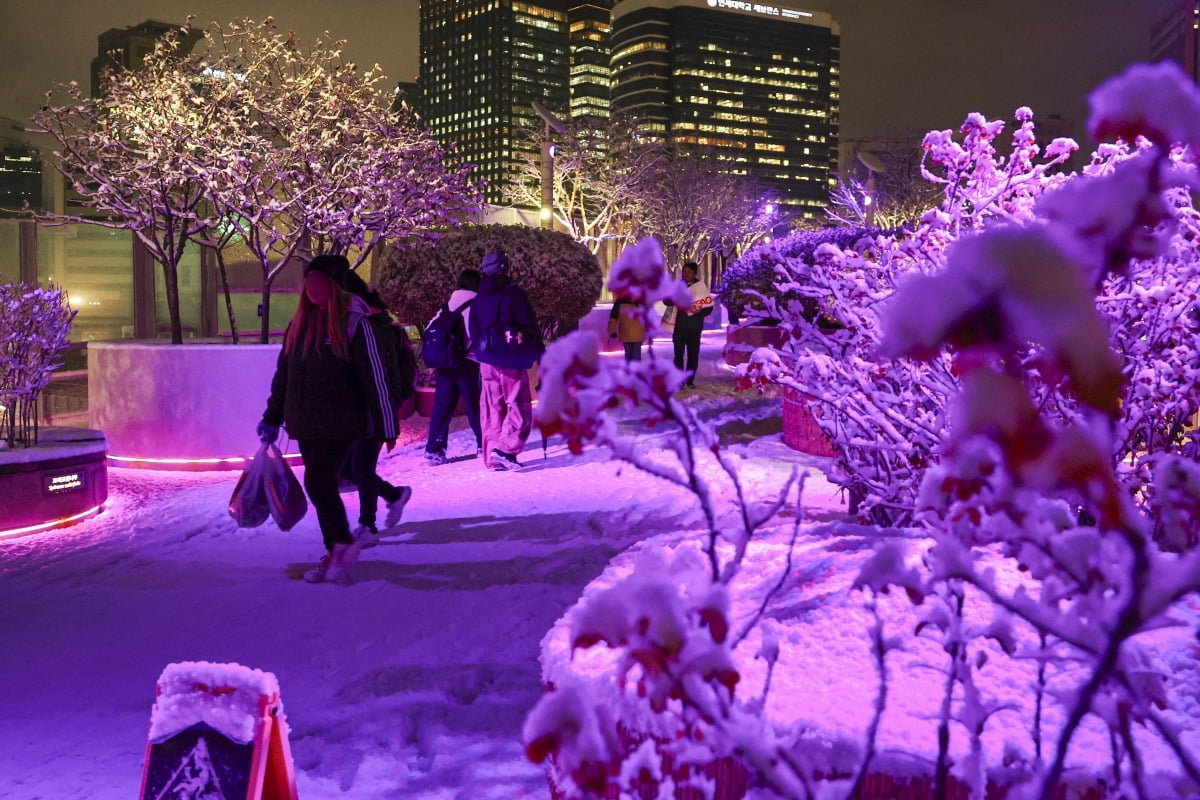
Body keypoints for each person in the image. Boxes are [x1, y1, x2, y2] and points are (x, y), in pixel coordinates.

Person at [257, 255, 402, 584]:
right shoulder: (300, 325)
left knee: (318, 482)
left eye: (320, 281)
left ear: (335, 286)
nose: (313, 287)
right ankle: (338, 545)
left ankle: (339, 546)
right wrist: (271, 416)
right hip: (305, 423)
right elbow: (285, 377)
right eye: (309, 281)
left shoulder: (355, 324)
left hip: (341, 421)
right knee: (320, 482)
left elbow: (376, 378)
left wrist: (386, 425)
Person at [467, 250, 543, 471]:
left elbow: (473, 330)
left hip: (486, 360)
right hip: (510, 358)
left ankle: (492, 456)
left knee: (492, 407)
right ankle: (507, 449)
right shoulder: (514, 294)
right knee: (517, 402)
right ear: (504, 269)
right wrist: (539, 353)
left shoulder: (478, 298)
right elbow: (529, 325)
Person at [425, 268, 484, 465]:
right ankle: (483, 444)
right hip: (467, 362)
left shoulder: (447, 305)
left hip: (445, 364)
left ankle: (435, 449)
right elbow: (474, 333)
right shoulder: (476, 304)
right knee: (474, 405)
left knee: (442, 406)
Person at [671, 261, 713, 387]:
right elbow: (666, 301)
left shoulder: (700, 287)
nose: (685, 274)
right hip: (679, 326)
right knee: (678, 355)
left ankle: (690, 381)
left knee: (693, 355)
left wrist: (699, 312)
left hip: (694, 327)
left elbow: (709, 307)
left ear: (695, 273)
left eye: (689, 271)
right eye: (684, 271)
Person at [607, 293, 646, 361]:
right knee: (636, 356)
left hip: (625, 332)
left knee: (628, 355)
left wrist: (612, 330)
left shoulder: (619, 301)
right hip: (638, 333)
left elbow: (613, 317)